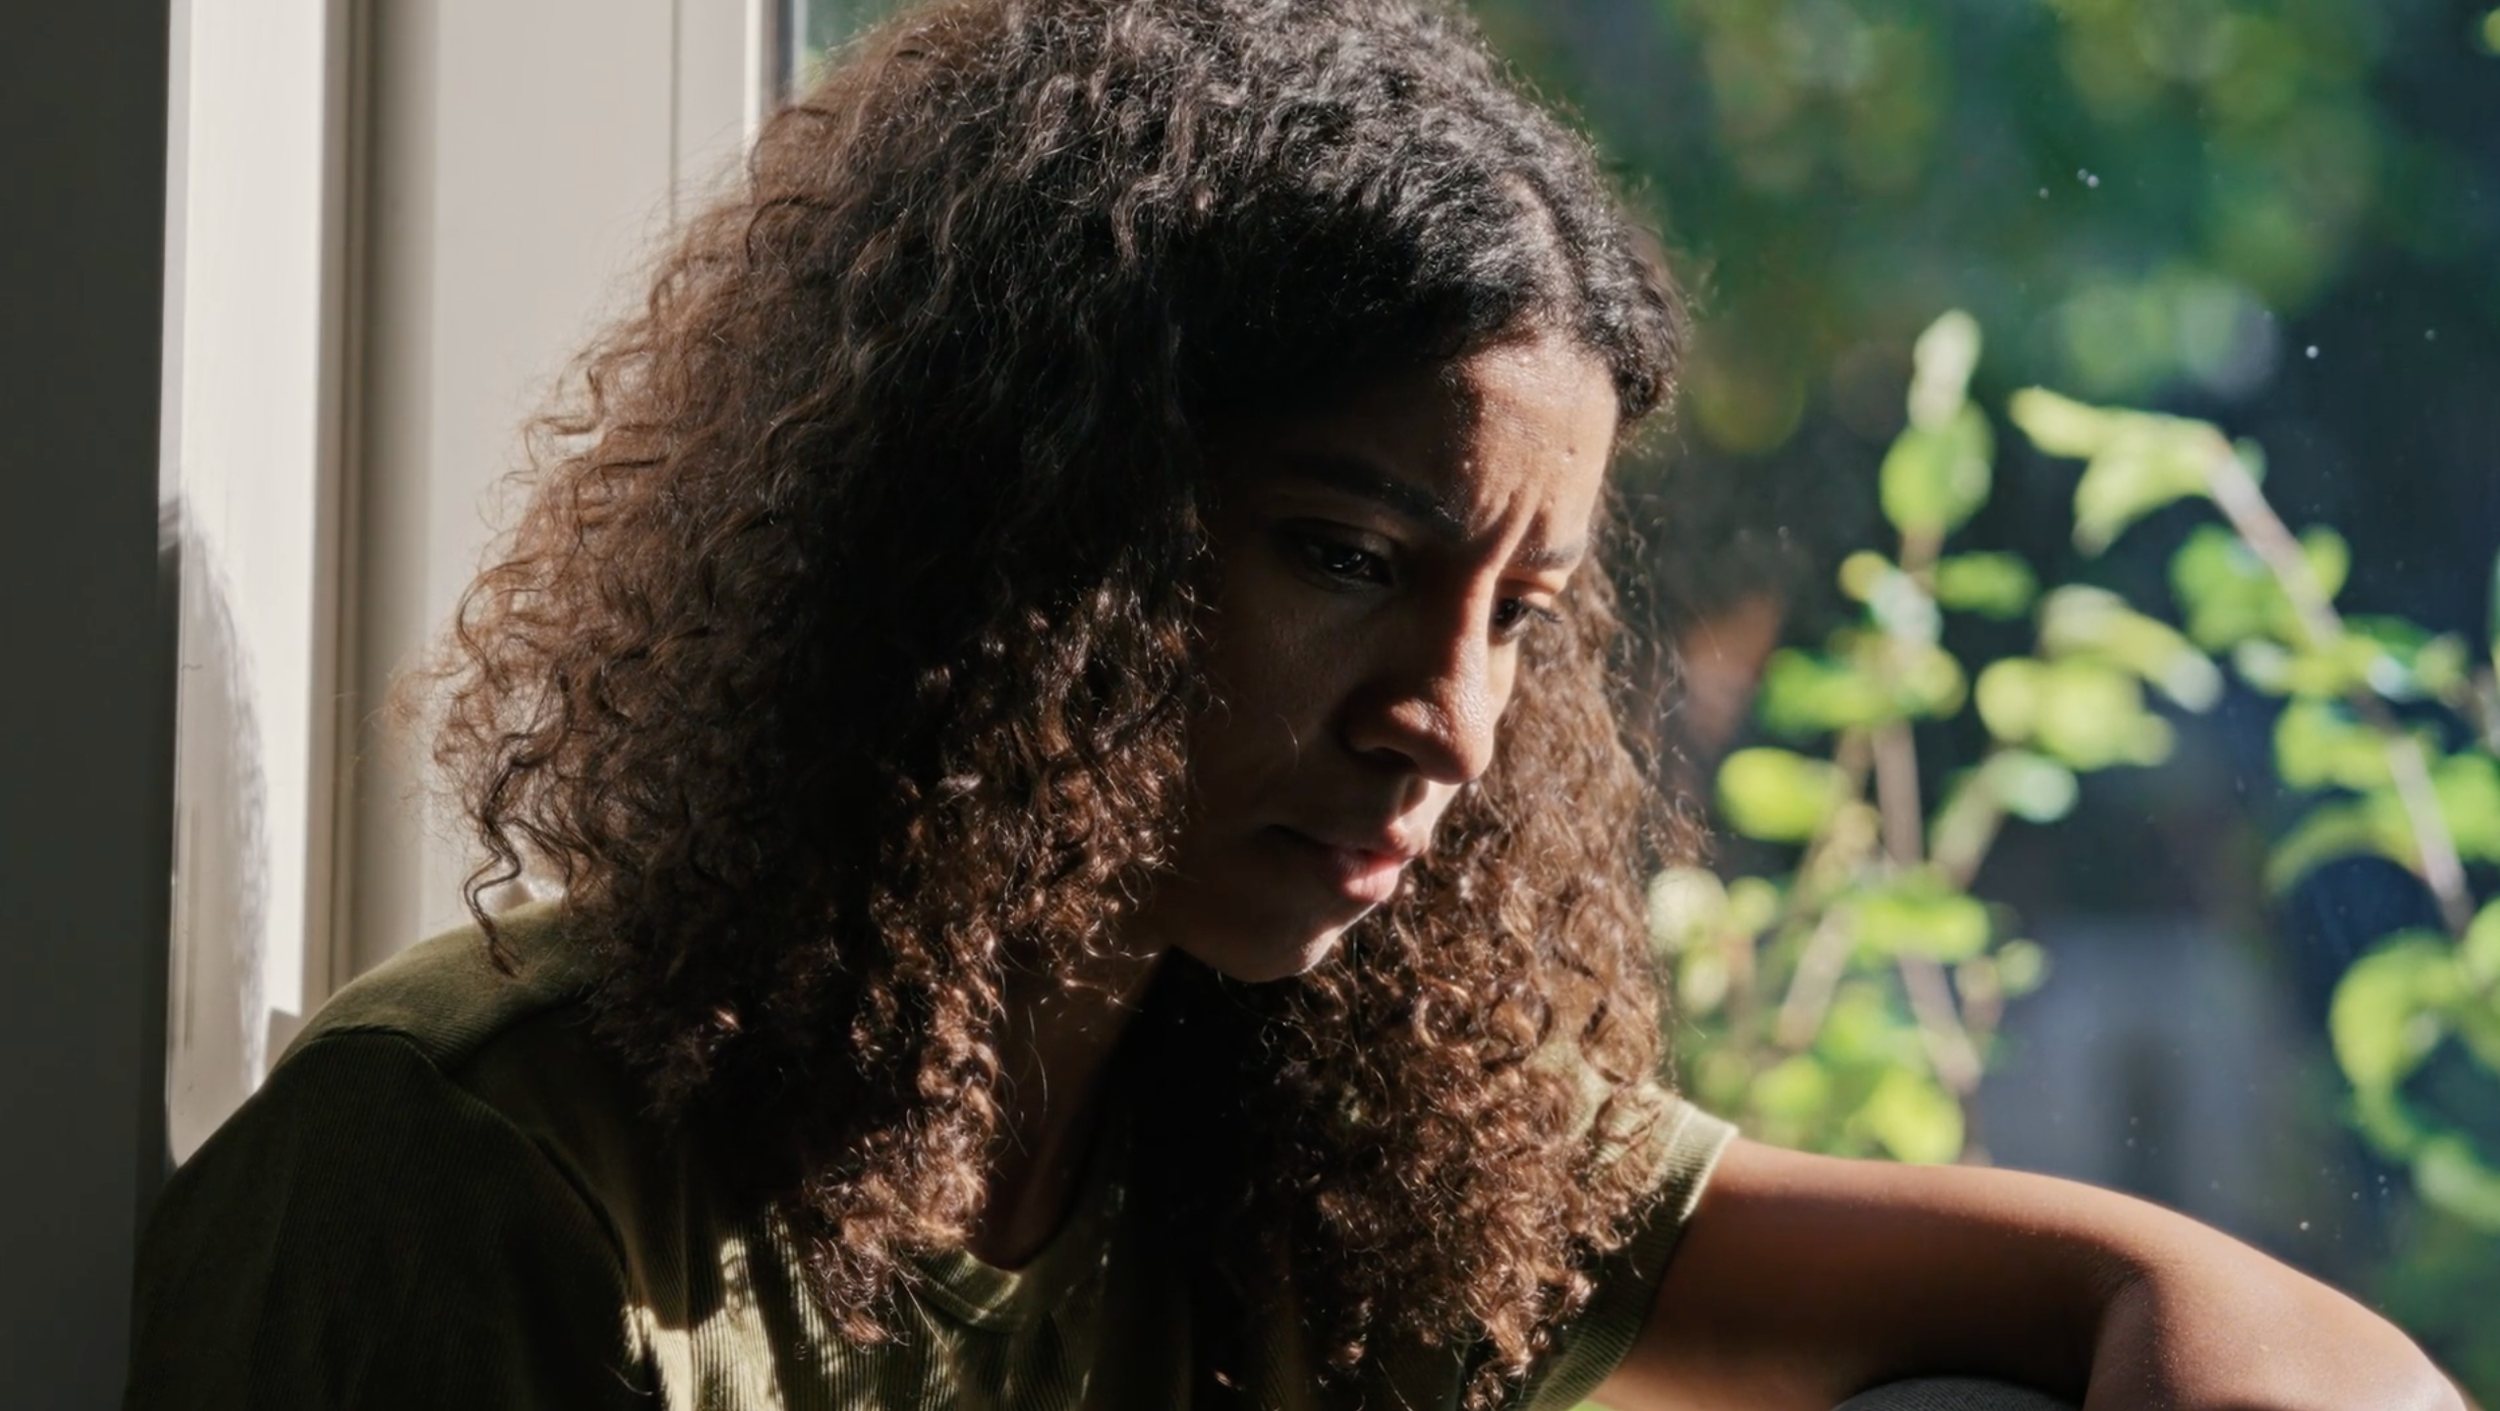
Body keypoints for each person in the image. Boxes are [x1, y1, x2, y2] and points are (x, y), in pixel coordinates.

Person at [124, 1, 2460, 1407]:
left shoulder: (1278, 1127)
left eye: (1518, 613)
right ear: (1018, 543)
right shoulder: (466, 1183)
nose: (1442, 721)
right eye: (1345, 560)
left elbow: (2230, 1320)